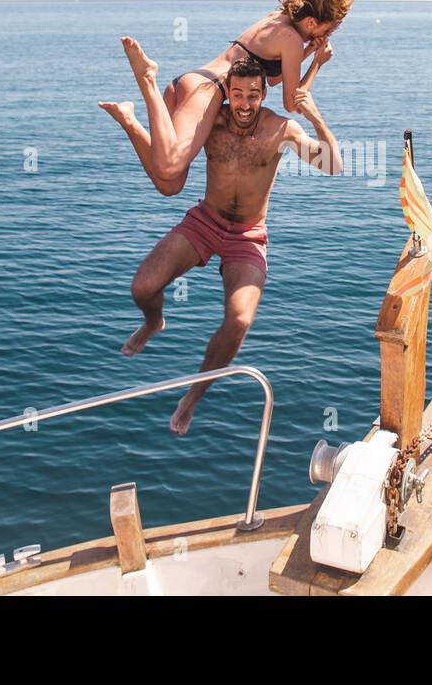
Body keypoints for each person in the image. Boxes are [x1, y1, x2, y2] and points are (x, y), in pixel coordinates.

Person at [121, 55, 341, 435]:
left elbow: (334, 165)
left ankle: (191, 397)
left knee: (239, 319)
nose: (243, 104)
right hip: (205, 221)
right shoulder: (211, 122)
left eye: (252, 95)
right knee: (142, 286)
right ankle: (154, 321)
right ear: (227, 93)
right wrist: (143, 103)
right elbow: (167, 149)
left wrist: (315, 115)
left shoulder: (280, 128)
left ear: (263, 93)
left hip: (248, 235)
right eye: (236, 95)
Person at [99, 0, 353, 196]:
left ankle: (129, 119)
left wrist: (310, 51)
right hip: (209, 89)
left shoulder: (278, 20)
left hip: (190, 82)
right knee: (168, 166)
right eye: (327, 28)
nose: (328, 34)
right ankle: (148, 79)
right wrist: (317, 64)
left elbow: (273, 78)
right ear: (311, 21)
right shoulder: (292, 40)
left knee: (170, 184)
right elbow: (292, 102)